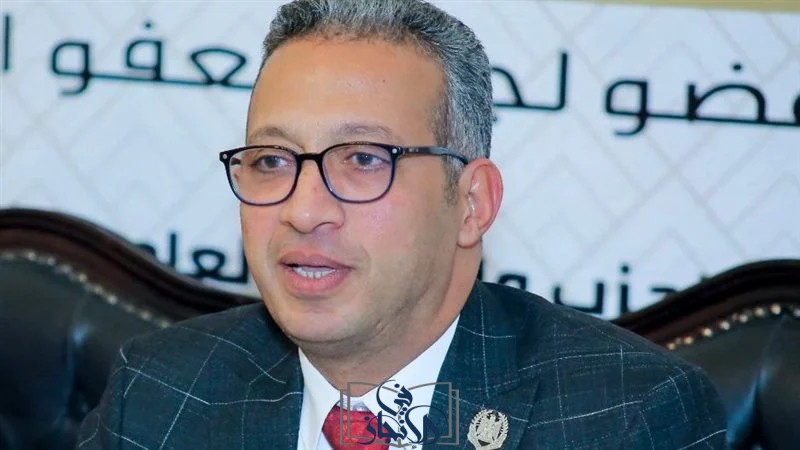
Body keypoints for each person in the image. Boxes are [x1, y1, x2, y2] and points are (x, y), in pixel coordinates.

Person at [77, 0, 727, 448]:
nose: (304, 211)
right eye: (273, 160)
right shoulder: (160, 392)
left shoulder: (627, 418)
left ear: (471, 203)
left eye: (364, 160)